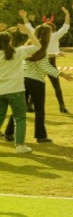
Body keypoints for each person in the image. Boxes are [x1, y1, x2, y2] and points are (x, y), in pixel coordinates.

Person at [4, 24, 73, 143]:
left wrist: (55, 54)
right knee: (39, 109)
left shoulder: (28, 47)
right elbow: (45, 65)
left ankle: (8, 133)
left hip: (23, 81)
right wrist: (62, 74)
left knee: (19, 109)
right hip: (37, 82)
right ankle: (40, 136)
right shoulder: (41, 48)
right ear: (46, 36)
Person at [0, 14, 41, 154]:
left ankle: (20, 146)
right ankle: (20, 146)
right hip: (16, 90)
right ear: (10, 41)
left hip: (1, 91)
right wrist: (29, 32)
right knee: (20, 118)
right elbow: (37, 46)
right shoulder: (18, 52)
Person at [43, 7, 71, 114]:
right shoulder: (55, 36)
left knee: (38, 84)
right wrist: (67, 14)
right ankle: (62, 106)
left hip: (41, 61)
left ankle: (30, 105)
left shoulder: (39, 38)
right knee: (56, 86)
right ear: (53, 29)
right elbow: (66, 26)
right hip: (51, 62)